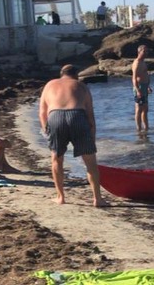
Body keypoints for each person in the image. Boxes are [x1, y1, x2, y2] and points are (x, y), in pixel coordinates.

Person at [39, 64, 105, 206]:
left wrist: (47, 131)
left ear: (61, 74)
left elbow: (42, 113)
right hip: (77, 116)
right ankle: (97, 199)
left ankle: (61, 197)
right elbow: (90, 115)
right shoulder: (81, 86)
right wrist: (92, 136)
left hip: (55, 116)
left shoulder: (50, 85)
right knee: (90, 162)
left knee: (57, 159)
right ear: (76, 75)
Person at [131, 45, 151, 133]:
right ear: (139, 52)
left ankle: (146, 128)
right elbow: (134, 78)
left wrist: (148, 86)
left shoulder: (143, 62)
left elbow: (145, 74)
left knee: (145, 109)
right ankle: (139, 129)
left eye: (147, 51)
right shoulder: (137, 63)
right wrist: (137, 90)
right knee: (138, 109)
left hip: (145, 86)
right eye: (144, 51)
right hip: (139, 87)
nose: (146, 53)